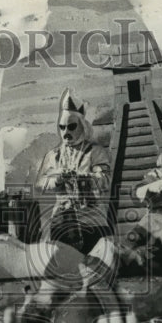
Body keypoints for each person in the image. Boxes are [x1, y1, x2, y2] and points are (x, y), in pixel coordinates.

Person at [36, 89, 111, 254]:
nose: (66, 133)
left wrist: (84, 178)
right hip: (62, 219)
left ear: (82, 126)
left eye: (71, 127)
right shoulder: (53, 155)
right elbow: (40, 184)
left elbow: (105, 179)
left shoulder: (95, 151)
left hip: (91, 220)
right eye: (62, 127)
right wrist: (55, 180)